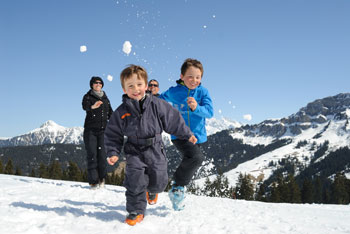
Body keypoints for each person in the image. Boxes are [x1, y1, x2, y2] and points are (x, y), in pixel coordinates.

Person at [104, 65, 197, 226]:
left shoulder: (156, 104)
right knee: (135, 181)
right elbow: (113, 133)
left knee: (159, 181)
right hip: (133, 149)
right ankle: (136, 210)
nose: (135, 89)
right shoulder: (121, 111)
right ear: (124, 89)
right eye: (130, 86)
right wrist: (113, 152)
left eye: (139, 85)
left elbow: (173, 120)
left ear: (146, 86)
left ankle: (152, 191)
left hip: (155, 148)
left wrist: (187, 134)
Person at [159, 58, 214, 210]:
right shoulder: (174, 91)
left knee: (194, 159)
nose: (194, 80)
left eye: (198, 77)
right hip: (180, 134)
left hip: (199, 137)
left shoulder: (203, 92)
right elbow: (159, 100)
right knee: (196, 157)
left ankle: (178, 193)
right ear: (182, 76)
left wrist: (197, 108)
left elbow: (210, 112)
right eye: (190, 76)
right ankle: (177, 187)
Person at [82, 76, 113, 189]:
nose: (98, 84)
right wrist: (92, 107)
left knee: (102, 156)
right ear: (92, 85)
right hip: (90, 130)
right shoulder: (88, 96)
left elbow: (111, 113)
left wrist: (119, 120)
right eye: (96, 83)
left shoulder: (105, 98)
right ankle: (93, 181)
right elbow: (84, 106)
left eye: (100, 83)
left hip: (103, 131)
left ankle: (102, 179)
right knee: (92, 156)